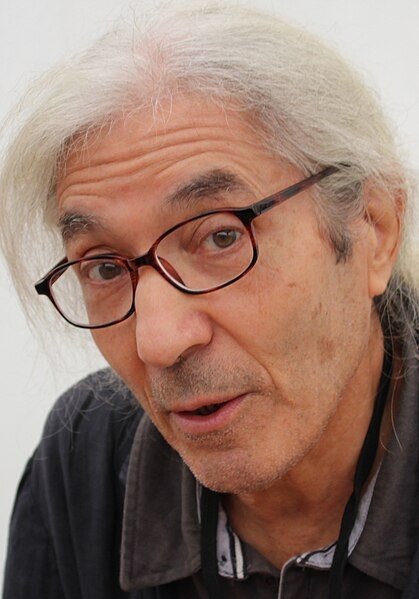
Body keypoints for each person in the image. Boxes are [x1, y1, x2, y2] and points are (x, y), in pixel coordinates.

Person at [1, 2, 418, 598]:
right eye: (105, 267)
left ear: (373, 229)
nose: (158, 341)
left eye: (222, 237)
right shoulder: (84, 460)